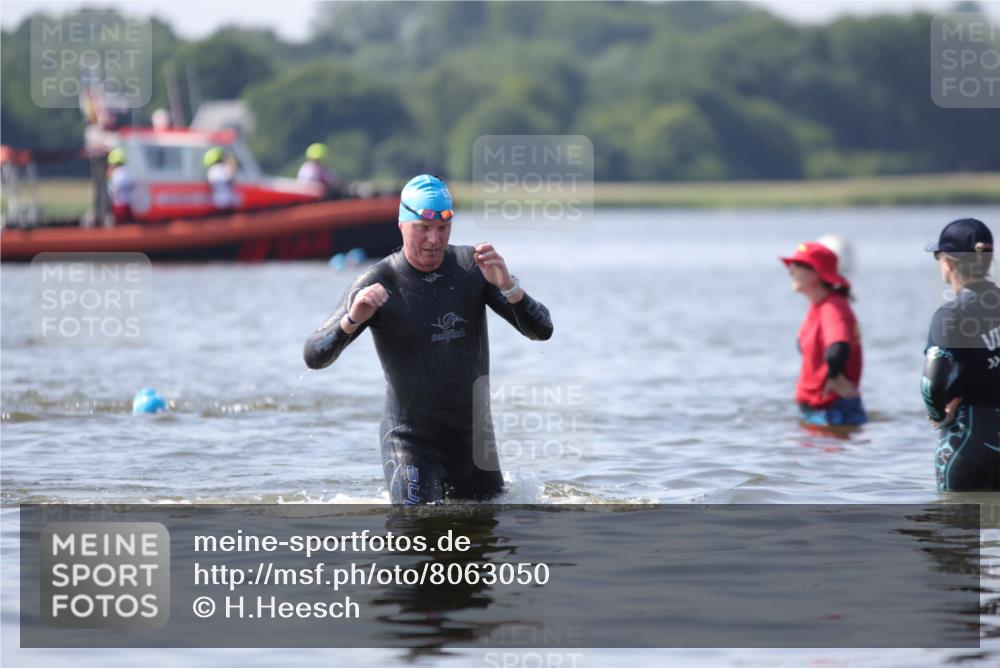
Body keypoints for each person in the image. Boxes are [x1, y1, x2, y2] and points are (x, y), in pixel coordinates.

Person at [303, 174, 553, 504]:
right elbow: (314, 356)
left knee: (482, 545)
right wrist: (352, 320)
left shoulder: (473, 268)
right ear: (402, 224)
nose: (434, 239)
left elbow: (542, 330)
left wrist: (509, 287)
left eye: (443, 228)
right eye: (423, 227)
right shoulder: (380, 281)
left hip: (473, 442)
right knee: (417, 531)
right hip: (411, 443)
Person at [922, 218, 1000, 492]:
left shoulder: (950, 315)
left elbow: (933, 382)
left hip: (969, 439)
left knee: (958, 531)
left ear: (949, 263)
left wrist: (938, 414)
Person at [781, 242, 866, 427]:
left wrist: (834, 377)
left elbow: (838, 346)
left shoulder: (832, 308)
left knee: (831, 454)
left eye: (797, 266)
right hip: (819, 410)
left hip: (832, 411)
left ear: (816, 273)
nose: (791, 271)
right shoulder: (818, 305)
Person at [203, 146, 238, 212]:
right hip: (227, 201)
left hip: (217, 202)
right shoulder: (221, 168)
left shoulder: (210, 171)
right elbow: (231, 177)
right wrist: (231, 161)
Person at [105, 147, 133, 225]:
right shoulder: (131, 171)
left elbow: (112, 191)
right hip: (131, 208)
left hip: (119, 208)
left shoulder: (117, 174)